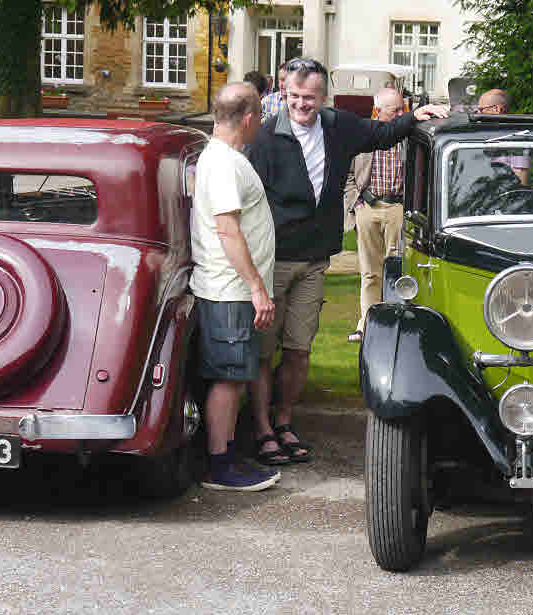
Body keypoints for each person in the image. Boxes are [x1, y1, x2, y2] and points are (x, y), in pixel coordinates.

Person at [247, 58, 449, 465]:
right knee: (264, 352)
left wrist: (415, 116)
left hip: (315, 258)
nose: (301, 105)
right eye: (294, 97)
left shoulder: (338, 125)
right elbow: (253, 203)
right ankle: (261, 430)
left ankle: (284, 421)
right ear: (284, 94)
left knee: (300, 349)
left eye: (309, 98)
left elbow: (384, 132)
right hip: (275, 259)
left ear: (324, 98)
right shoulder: (267, 138)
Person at [190, 81, 280, 490]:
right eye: (259, 116)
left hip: (233, 288)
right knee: (227, 377)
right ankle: (220, 465)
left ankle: (227, 454)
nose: (260, 124)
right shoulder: (224, 164)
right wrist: (256, 287)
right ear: (248, 119)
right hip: (229, 289)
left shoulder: (224, 158)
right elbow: (228, 231)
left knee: (236, 373)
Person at [343, 88, 407, 343]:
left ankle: (394, 325)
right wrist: (356, 202)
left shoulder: (408, 138)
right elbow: (346, 174)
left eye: (403, 109)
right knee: (370, 272)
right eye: (396, 111)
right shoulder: (362, 137)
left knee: (397, 269)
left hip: (398, 209)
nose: (403, 114)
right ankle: (366, 324)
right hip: (367, 208)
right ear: (378, 112)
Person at [476, 89, 529, 184]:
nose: (478, 115)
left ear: (497, 109)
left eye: (481, 110)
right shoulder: (477, 134)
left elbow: (520, 184)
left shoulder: (515, 139)